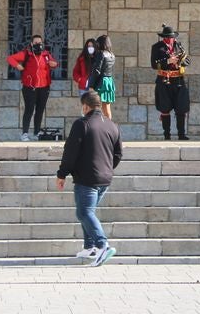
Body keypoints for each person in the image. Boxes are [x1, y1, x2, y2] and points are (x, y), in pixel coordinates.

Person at [56, 89, 123, 266]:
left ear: (85, 106)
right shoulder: (112, 125)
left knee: (84, 212)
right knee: (88, 212)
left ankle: (102, 245)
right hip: (105, 178)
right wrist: (107, 168)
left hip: (87, 178)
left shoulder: (82, 124)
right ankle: (90, 247)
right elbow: (118, 154)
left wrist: (62, 173)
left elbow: (70, 151)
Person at [8, 34, 59, 141]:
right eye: (35, 43)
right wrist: (17, 66)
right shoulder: (26, 53)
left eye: (40, 43)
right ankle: (25, 133)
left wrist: (54, 64)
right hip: (30, 87)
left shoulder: (46, 55)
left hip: (44, 87)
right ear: (31, 44)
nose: (38, 45)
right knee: (29, 109)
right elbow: (11, 58)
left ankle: (36, 132)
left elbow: (54, 63)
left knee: (40, 110)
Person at [150, 25, 190, 140]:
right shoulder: (157, 47)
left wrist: (181, 61)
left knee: (181, 107)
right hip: (164, 80)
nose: (169, 39)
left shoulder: (178, 46)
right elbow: (154, 64)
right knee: (165, 108)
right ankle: (167, 135)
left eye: (171, 37)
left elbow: (187, 60)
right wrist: (168, 60)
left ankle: (181, 135)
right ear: (163, 37)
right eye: (167, 37)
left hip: (178, 80)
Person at [87, 34, 116, 121]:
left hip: (101, 83)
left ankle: (98, 128)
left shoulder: (101, 53)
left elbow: (97, 70)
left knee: (96, 108)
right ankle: (109, 128)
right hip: (109, 81)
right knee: (107, 109)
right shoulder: (112, 55)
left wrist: (91, 85)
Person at [71, 38, 98, 111]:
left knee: (95, 110)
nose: (90, 48)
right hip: (84, 88)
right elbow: (75, 72)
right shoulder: (82, 58)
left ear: (95, 47)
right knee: (85, 110)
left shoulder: (99, 58)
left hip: (95, 88)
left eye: (92, 46)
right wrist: (81, 80)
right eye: (88, 46)